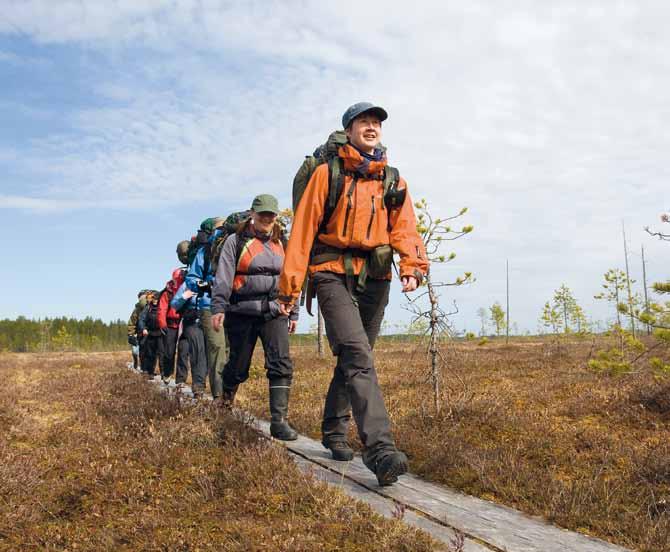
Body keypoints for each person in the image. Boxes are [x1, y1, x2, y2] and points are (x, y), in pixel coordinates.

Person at [277, 102, 429, 485]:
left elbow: (405, 228)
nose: (372, 127)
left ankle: (332, 428)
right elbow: (302, 233)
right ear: (349, 130)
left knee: (358, 353)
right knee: (356, 353)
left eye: (377, 122)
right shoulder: (327, 175)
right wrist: (289, 288)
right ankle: (379, 450)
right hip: (330, 272)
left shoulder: (391, 180)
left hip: (375, 276)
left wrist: (412, 265)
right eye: (365, 121)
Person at [211, 194, 299, 441]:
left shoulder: (283, 241)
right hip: (241, 312)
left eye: (272, 215)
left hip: (275, 311)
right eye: (263, 214)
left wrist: (294, 310)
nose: (267, 219)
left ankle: (279, 422)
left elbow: (293, 276)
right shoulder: (235, 241)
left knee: (281, 363)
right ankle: (226, 401)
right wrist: (218, 308)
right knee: (238, 366)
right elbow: (224, 277)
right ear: (252, 214)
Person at [185, 218, 228, 399]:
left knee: (228, 351)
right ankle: (220, 398)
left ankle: (227, 394)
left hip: (233, 307)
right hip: (208, 306)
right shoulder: (206, 251)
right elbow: (191, 279)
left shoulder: (236, 246)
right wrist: (208, 286)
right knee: (217, 348)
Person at [171, 281, 208, 398]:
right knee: (195, 352)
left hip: (212, 319)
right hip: (192, 321)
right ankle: (198, 387)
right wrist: (184, 296)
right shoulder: (188, 284)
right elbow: (175, 303)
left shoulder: (215, 277)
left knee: (208, 354)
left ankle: (211, 388)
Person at [157, 268, 185, 384]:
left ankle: (181, 379)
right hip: (170, 325)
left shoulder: (186, 288)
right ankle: (167, 373)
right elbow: (162, 309)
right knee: (169, 352)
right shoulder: (167, 293)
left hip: (184, 323)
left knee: (184, 352)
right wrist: (162, 324)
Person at [137, 290, 162, 377]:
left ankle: (164, 374)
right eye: (154, 298)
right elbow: (141, 319)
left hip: (161, 333)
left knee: (161, 354)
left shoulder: (162, 307)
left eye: (156, 299)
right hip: (150, 333)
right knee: (150, 354)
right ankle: (150, 372)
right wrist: (143, 328)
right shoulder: (148, 308)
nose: (155, 300)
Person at [127, 290, 150, 371]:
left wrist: (130, 334)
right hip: (146, 332)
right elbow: (132, 322)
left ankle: (141, 366)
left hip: (140, 332)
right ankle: (146, 369)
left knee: (138, 351)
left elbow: (132, 322)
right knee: (145, 351)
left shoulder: (138, 309)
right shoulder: (138, 309)